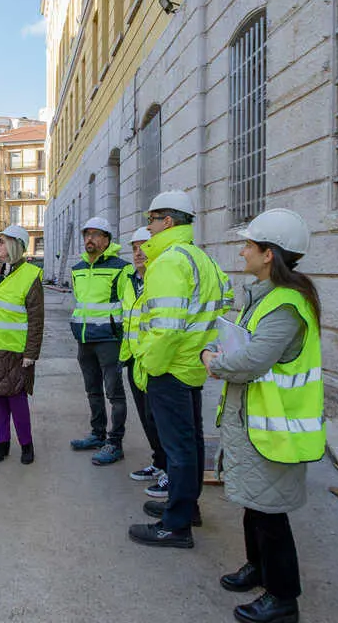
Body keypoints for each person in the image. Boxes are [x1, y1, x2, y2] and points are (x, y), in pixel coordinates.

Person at [201, 209, 323, 623]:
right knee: (254, 504)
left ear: (269, 254)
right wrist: (222, 351)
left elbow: (252, 361)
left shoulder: (286, 306)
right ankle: (258, 568)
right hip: (254, 423)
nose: (243, 252)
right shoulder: (266, 296)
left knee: (270, 514)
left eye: (249, 246)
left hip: (274, 430)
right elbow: (246, 348)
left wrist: (213, 360)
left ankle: (283, 598)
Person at [128, 190, 232, 549]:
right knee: (190, 443)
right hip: (191, 365)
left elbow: (167, 329)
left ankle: (176, 526)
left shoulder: (169, 262)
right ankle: (186, 508)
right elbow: (225, 300)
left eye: (152, 220)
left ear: (168, 221)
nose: (148, 228)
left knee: (179, 448)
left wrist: (150, 365)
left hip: (170, 367)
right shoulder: (202, 258)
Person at [0, 225, 44, 464]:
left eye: (1, 242)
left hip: (15, 352)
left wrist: (31, 353)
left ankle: (26, 444)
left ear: (14, 245)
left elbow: (36, 319)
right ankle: (2, 443)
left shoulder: (30, 275)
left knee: (17, 401)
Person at [68, 216, 134, 466]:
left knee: (114, 393)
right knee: (92, 390)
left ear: (107, 240)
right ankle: (97, 434)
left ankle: (115, 443)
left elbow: (129, 306)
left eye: (95, 235)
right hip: (85, 340)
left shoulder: (122, 268)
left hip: (109, 340)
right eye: (87, 234)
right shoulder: (77, 270)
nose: (90, 239)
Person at [119, 226, 169, 495]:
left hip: (156, 360)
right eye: (134, 247)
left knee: (161, 419)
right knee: (147, 418)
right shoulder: (130, 280)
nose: (138, 253)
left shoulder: (162, 279)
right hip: (134, 359)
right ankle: (159, 462)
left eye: (144, 247)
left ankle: (170, 472)